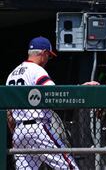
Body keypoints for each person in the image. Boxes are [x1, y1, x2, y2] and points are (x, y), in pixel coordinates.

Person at [6, 36, 99, 169]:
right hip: (38, 127)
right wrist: (81, 88)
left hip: (19, 131)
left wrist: (17, 132)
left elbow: (8, 112)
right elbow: (54, 94)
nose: (48, 60)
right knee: (69, 167)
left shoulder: (12, 74)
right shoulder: (36, 70)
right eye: (49, 56)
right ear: (44, 53)